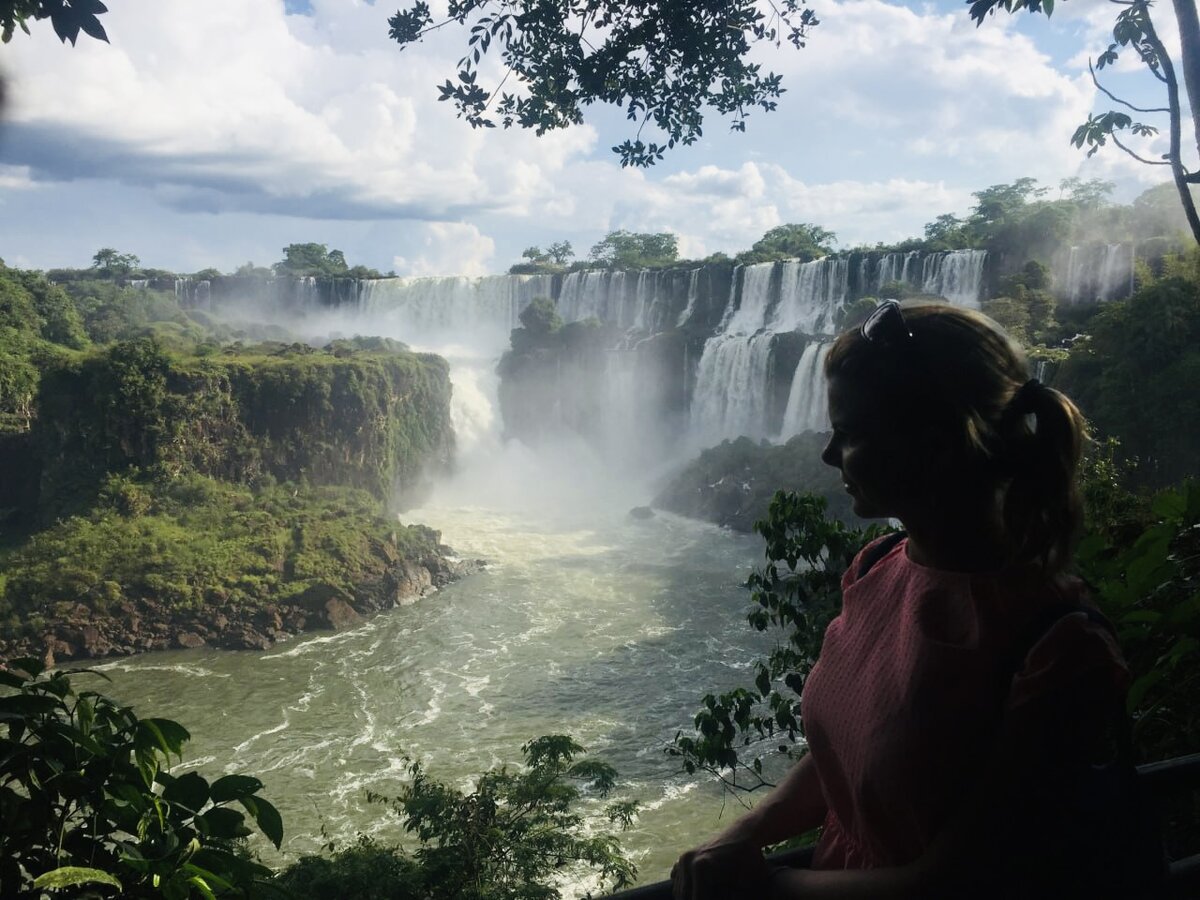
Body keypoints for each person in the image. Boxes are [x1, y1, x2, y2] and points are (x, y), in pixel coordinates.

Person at [671, 301, 1129, 899]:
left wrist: (770, 885)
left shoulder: (1057, 651)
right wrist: (747, 831)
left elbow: (953, 881)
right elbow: (849, 750)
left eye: (852, 433)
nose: (829, 455)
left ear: (938, 442)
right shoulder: (877, 567)